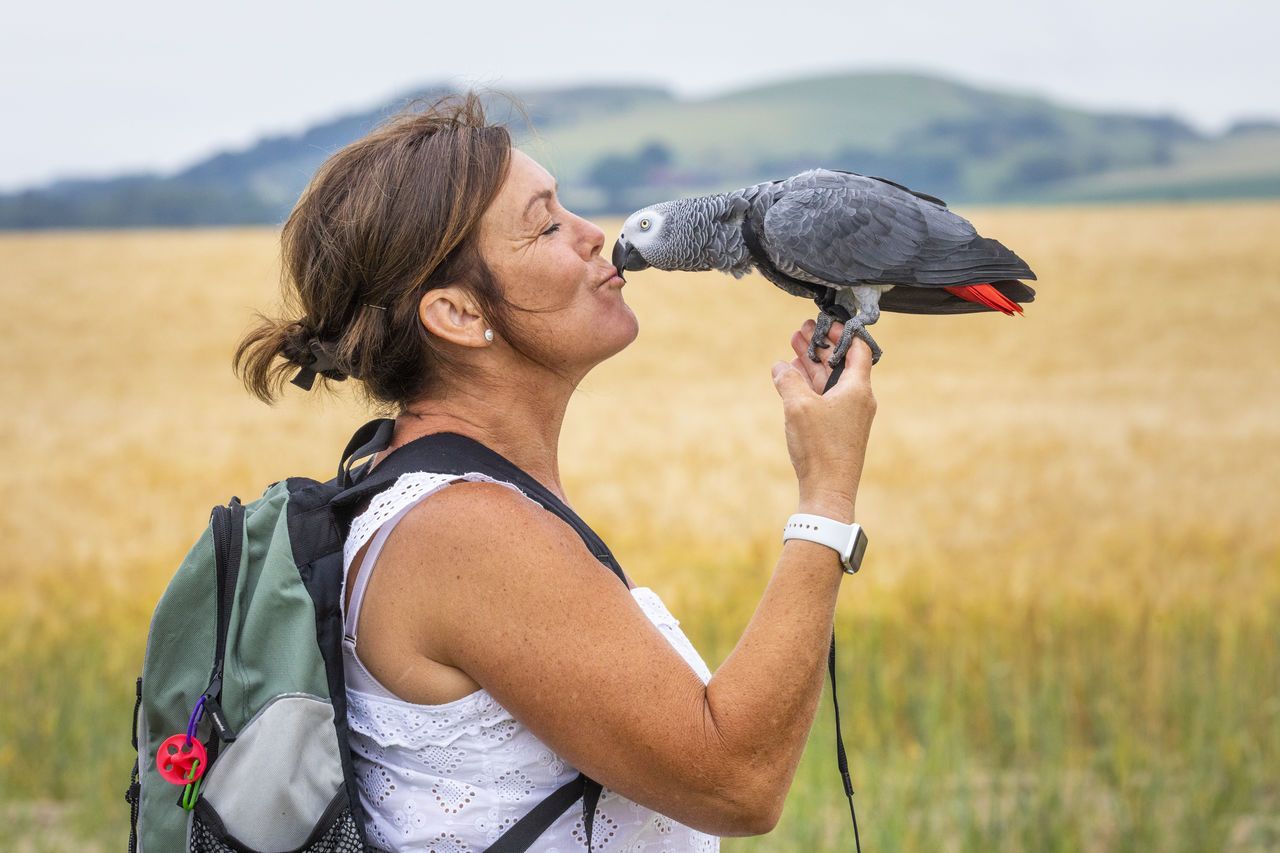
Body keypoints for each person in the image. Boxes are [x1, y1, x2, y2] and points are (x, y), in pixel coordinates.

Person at [233, 91, 876, 851]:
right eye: (547, 224)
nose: (594, 234)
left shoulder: (434, 491)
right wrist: (827, 497)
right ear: (460, 316)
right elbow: (736, 779)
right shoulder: (464, 530)